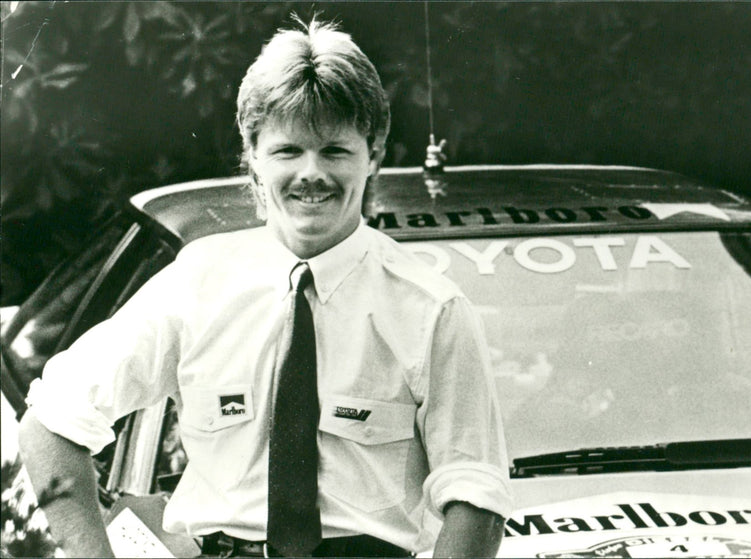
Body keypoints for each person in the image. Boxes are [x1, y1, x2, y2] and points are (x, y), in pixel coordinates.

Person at [18, 17, 512, 558]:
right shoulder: (196, 285)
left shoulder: (432, 309)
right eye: (287, 150)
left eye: (335, 151)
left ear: (375, 156)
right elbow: (52, 423)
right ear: (252, 155)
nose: (311, 174)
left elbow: (475, 494)